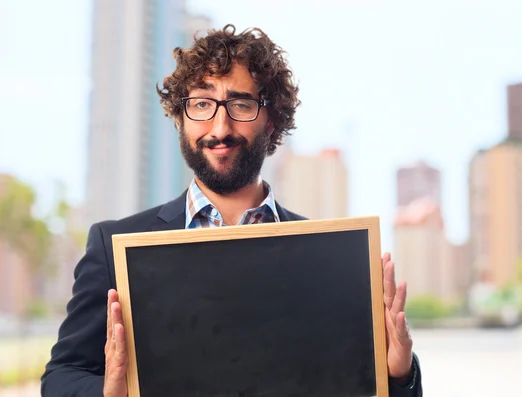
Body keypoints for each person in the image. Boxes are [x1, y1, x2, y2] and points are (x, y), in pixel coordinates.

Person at [41, 24, 423, 397]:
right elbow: (62, 377)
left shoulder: (330, 258)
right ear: (180, 117)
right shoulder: (111, 247)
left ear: (271, 121)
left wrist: (398, 374)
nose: (219, 127)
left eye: (240, 104)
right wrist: (110, 393)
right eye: (201, 104)